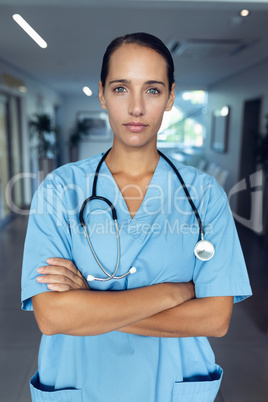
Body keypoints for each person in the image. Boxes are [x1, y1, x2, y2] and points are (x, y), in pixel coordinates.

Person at [21, 32, 252, 402]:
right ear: (102, 94)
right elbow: (52, 317)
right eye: (120, 88)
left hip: (172, 383)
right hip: (81, 381)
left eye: (153, 90)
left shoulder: (205, 195)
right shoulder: (59, 189)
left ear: (171, 97)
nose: (136, 108)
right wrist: (174, 293)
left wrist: (90, 305)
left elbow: (214, 320)